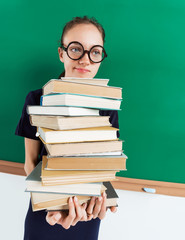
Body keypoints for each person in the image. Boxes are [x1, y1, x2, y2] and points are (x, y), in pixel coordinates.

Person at [15, 16, 119, 240]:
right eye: (75, 49)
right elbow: (30, 163)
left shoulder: (108, 106)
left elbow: (103, 165)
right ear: (61, 53)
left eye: (95, 51)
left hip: (85, 210)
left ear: (101, 57)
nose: (85, 60)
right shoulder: (37, 98)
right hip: (45, 207)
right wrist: (54, 203)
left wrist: (100, 199)